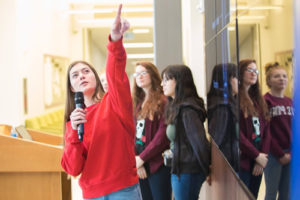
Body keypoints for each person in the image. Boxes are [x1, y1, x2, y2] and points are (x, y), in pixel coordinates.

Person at [61, 5, 142, 200]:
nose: (81, 76)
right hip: (92, 194)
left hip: (123, 190)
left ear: (96, 77)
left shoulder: (114, 103)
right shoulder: (74, 122)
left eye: (86, 71)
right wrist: (73, 130)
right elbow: (73, 169)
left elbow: (116, 73)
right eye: (75, 75)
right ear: (72, 88)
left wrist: (115, 39)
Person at [161, 64, 210, 200]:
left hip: (188, 170)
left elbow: (199, 143)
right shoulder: (176, 106)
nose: (162, 84)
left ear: (179, 81)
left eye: (166, 80)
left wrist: (206, 169)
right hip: (181, 168)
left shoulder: (187, 110)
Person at [132, 62, 172, 200]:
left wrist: (142, 158)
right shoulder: (138, 103)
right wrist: (138, 162)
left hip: (158, 164)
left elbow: (162, 137)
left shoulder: (163, 101)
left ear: (152, 75)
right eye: (136, 74)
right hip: (142, 164)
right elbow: (134, 135)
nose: (139, 77)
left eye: (143, 73)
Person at [238, 59, 271, 199]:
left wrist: (261, 156)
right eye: (249, 70)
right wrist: (255, 155)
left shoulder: (258, 100)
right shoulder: (236, 100)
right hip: (244, 160)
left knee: (253, 196)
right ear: (240, 73)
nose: (254, 74)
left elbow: (267, 131)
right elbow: (237, 134)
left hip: (259, 159)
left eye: (255, 71)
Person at [263, 62, 293, 200]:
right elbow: (266, 131)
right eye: (277, 76)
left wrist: (292, 153)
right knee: (271, 192)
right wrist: (280, 154)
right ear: (269, 81)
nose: (282, 79)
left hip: (290, 153)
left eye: (284, 76)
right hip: (273, 154)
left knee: (286, 193)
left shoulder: (290, 102)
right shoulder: (265, 101)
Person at [207, 63, 239, 172]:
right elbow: (217, 140)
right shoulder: (222, 106)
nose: (239, 81)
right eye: (235, 77)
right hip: (225, 164)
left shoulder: (229, 102)